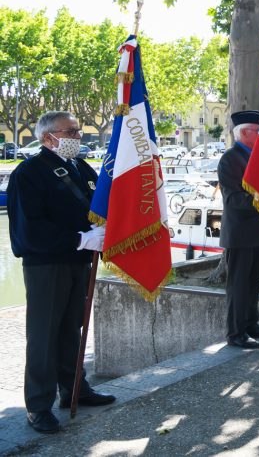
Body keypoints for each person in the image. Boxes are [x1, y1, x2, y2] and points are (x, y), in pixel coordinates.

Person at [6, 111, 116, 433]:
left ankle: (75, 390)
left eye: (79, 131)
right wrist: (81, 238)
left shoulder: (81, 167)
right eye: (71, 132)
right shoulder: (28, 173)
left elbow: (99, 204)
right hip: (47, 265)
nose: (78, 137)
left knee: (72, 328)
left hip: (78, 261)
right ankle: (38, 405)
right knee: (43, 335)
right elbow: (28, 232)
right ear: (48, 137)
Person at [218, 110, 259, 349]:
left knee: (253, 283)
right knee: (239, 285)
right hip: (240, 233)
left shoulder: (258, 158)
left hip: (257, 231)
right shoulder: (230, 160)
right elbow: (233, 199)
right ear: (243, 132)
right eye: (257, 130)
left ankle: (250, 323)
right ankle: (235, 332)